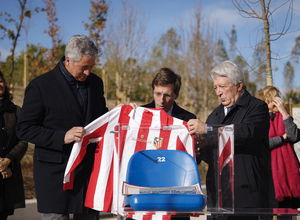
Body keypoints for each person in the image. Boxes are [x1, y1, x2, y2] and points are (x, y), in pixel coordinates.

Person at [16, 35, 108, 220]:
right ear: (68, 60)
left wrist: (127, 114)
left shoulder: (96, 83)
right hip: (55, 176)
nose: (88, 72)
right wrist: (61, 137)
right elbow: (24, 128)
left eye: (91, 67)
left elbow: (103, 117)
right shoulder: (40, 86)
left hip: (88, 173)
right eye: (84, 67)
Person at [188, 61, 271, 219]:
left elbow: (245, 134)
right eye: (215, 88)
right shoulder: (215, 115)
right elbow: (210, 155)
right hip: (218, 199)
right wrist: (201, 147)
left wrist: (207, 129)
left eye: (223, 87)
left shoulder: (257, 107)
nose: (218, 92)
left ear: (239, 85)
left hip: (247, 198)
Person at [257, 86, 300, 213]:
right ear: (265, 101)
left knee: (288, 212)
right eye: (273, 98)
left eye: (278, 97)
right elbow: (263, 143)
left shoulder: (284, 117)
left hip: (288, 175)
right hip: (268, 172)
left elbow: (294, 136)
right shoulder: (259, 119)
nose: (277, 101)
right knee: (269, 210)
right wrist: (282, 138)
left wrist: (284, 112)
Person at [0, 71, 28, 220]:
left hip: (8, 178)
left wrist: (8, 161)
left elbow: (23, 140)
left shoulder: (16, 111)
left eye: (0, 81)